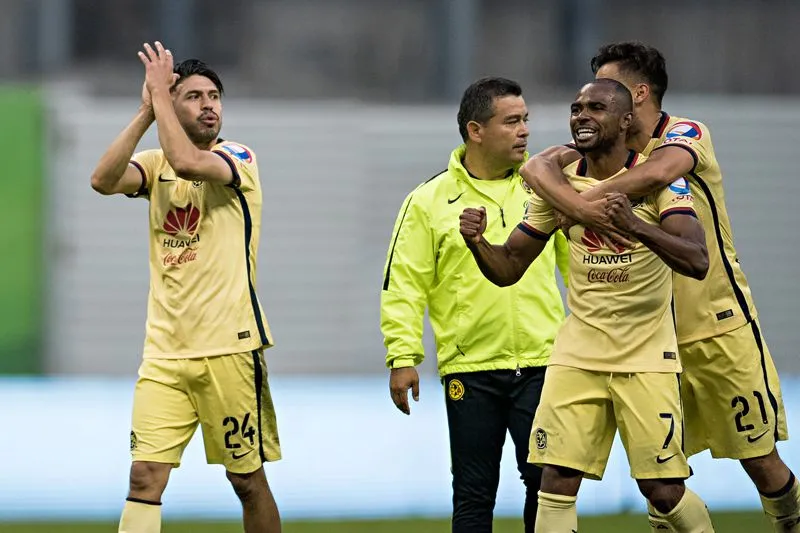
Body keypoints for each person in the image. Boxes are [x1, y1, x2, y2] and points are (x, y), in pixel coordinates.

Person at [523, 41, 799, 532]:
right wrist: (557, 186)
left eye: (606, 93)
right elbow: (536, 166)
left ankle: (790, 520)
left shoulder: (685, 135)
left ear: (637, 94)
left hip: (711, 325)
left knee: (757, 458)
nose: (592, 105)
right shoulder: (596, 147)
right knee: (658, 481)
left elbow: (657, 172)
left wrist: (577, 203)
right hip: (644, 334)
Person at [461, 79, 715, 532]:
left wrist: (635, 226)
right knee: (554, 481)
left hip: (646, 355)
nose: (581, 116)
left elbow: (696, 260)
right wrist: (479, 242)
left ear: (625, 121)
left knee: (663, 491)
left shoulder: (662, 182)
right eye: (576, 108)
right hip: (578, 354)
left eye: (596, 108)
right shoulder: (559, 186)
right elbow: (509, 267)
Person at [89, 41, 282, 533]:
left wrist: (161, 94)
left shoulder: (237, 157)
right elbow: (102, 179)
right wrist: (145, 111)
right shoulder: (155, 166)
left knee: (247, 480)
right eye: (193, 96)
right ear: (171, 107)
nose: (209, 104)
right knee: (143, 478)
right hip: (164, 354)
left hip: (229, 348)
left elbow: (190, 163)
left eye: (214, 95)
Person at [380, 76, 569, 533]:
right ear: (475, 130)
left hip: (544, 364)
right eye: (511, 121)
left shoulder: (545, 189)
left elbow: (579, 269)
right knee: (472, 494)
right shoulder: (427, 201)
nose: (525, 130)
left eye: (526, 120)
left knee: (546, 487)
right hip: (471, 370)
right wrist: (403, 357)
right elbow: (404, 284)